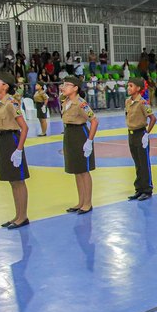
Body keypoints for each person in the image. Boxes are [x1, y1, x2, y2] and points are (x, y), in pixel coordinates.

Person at [0, 72, 30, 229]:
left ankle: (23, 216)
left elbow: (24, 127)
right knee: (11, 180)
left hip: (12, 140)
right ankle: (17, 215)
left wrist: (19, 150)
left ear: (5, 86)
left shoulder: (11, 103)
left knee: (18, 180)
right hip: (2, 140)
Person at [60, 76, 98, 214]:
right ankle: (80, 201)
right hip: (69, 134)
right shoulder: (66, 101)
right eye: (63, 84)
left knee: (83, 170)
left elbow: (94, 121)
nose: (64, 87)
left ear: (76, 88)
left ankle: (87, 203)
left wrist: (89, 140)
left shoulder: (81, 103)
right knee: (76, 170)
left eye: (67, 85)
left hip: (80, 134)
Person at [125, 77, 157, 201]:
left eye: (131, 86)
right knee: (137, 163)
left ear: (138, 88)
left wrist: (147, 133)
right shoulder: (128, 101)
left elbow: (153, 118)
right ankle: (139, 189)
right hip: (131, 134)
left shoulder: (143, 103)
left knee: (144, 163)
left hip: (140, 134)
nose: (128, 88)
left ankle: (147, 189)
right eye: (128, 85)